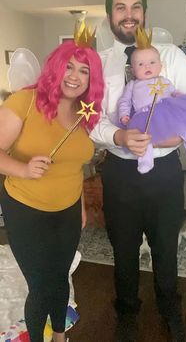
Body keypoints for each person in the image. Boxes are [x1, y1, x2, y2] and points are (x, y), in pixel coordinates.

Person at [90, 0, 186, 342]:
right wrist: (118, 137)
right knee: (122, 249)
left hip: (164, 171)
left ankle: (170, 310)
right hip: (120, 172)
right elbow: (91, 119)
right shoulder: (100, 64)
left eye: (135, 6)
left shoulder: (172, 56)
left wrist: (169, 138)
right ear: (109, 15)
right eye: (120, 7)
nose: (129, 14)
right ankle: (126, 313)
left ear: (145, 12)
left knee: (165, 248)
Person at [0, 23, 104, 342]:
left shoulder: (86, 116)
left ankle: (59, 336)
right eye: (69, 66)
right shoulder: (24, 101)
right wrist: (22, 168)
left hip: (69, 211)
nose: (74, 75)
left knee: (60, 278)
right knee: (42, 285)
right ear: (56, 69)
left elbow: (76, 167)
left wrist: (82, 206)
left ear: (91, 80)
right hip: (25, 208)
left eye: (84, 70)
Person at [117, 28, 186, 174]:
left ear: (160, 66)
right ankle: (145, 162)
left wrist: (178, 96)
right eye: (140, 64)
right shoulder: (133, 85)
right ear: (133, 70)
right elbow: (124, 101)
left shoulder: (164, 80)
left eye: (152, 62)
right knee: (143, 138)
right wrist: (123, 114)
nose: (147, 66)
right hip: (144, 115)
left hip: (167, 111)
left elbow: (172, 92)